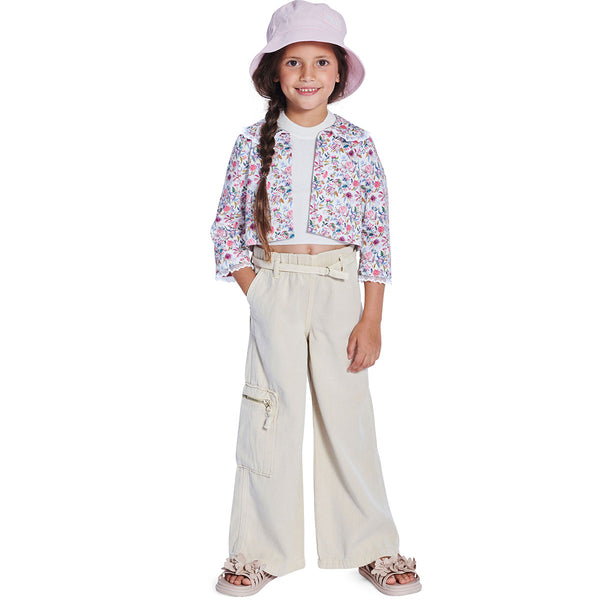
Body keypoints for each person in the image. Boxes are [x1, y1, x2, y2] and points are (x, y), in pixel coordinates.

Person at [210, 1, 422, 596]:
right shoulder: (251, 142)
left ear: (339, 72)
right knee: (269, 416)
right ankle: (257, 550)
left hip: (338, 289)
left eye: (321, 62)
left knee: (348, 419)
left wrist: (371, 318)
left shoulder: (357, 144)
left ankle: (371, 546)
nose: (308, 74)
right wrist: (259, 291)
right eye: (294, 62)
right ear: (275, 72)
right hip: (273, 284)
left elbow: (376, 234)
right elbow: (226, 228)